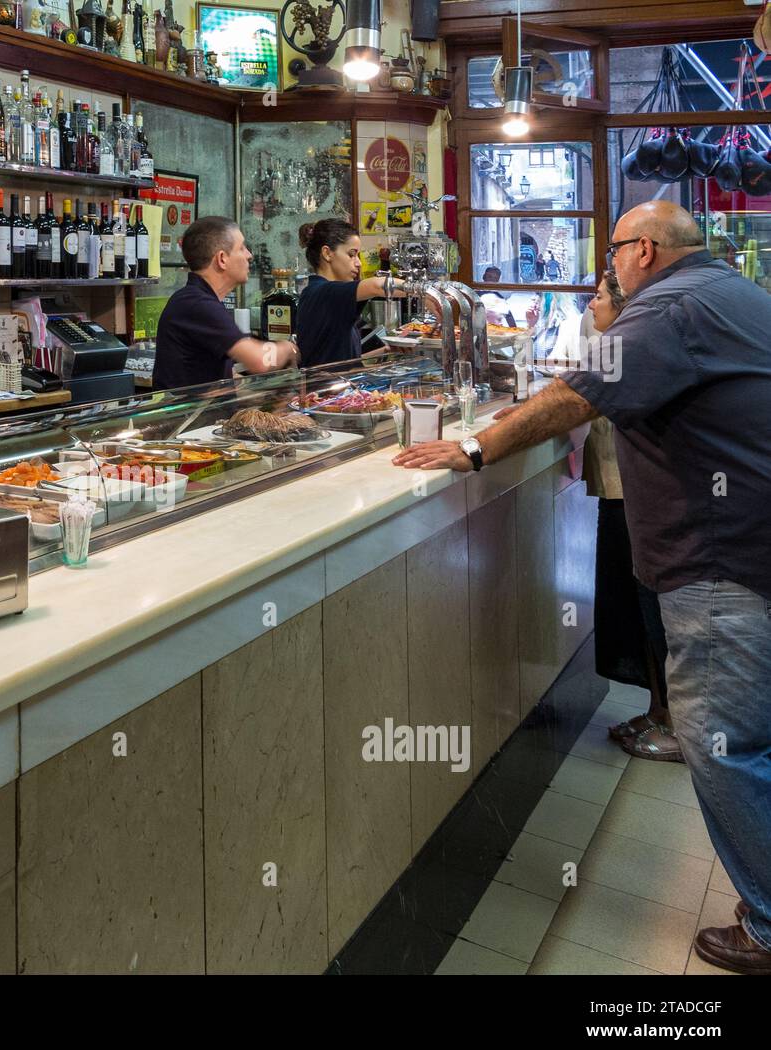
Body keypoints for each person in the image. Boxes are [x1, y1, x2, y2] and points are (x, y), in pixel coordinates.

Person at [393, 200, 771, 974]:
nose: (609, 268)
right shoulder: (731, 290)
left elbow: (580, 394)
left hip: (720, 558)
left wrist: (473, 444)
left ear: (642, 250)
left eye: (614, 253)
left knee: (724, 744)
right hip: (748, 545)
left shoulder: (671, 303)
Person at [579, 275, 677, 761]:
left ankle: (670, 722)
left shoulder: (628, 354)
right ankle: (659, 711)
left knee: (650, 613)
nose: (591, 302)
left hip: (636, 499)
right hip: (622, 496)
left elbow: (583, 400)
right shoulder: (614, 347)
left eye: (599, 296)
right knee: (636, 611)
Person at [153, 216, 298, 390]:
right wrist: (289, 348)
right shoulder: (196, 304)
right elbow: (260, 360)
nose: (249, 255)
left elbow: (220, 375)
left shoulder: (199, 300)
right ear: (222, 259)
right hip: (187, 417)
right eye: (242, 248)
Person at [293, 219, 407, 368]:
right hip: (324, 391)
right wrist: (423, 291)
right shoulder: (323, 292)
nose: (358, 263)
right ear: (327, 253)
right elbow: (377, 286)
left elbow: (345, 362)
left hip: (342, 388)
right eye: (351, 254)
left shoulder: (327, 294)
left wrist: (387, 351)